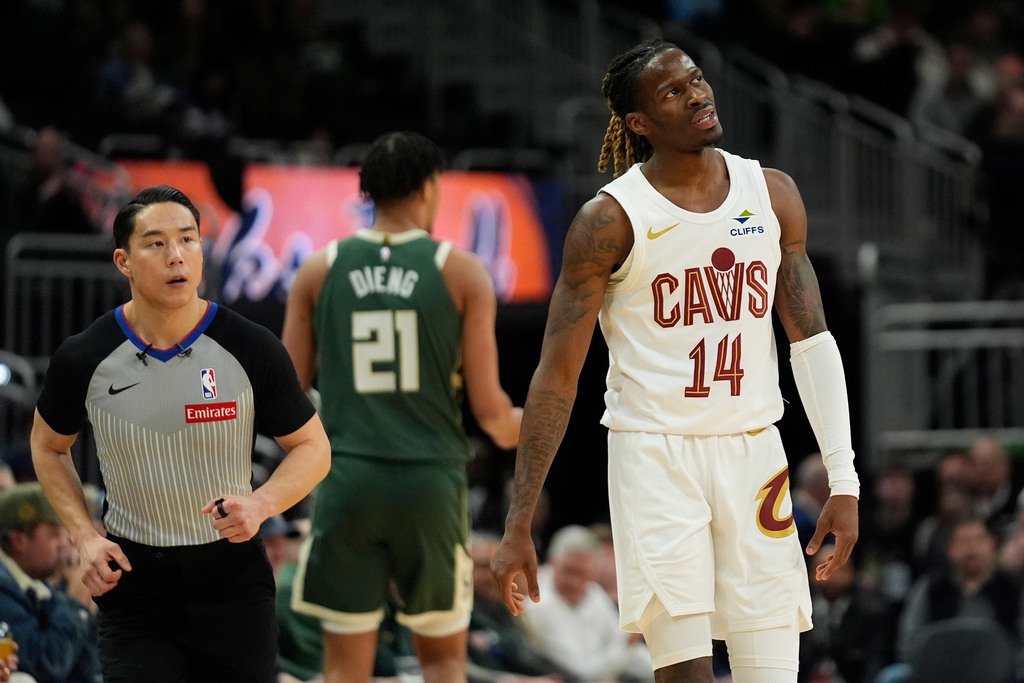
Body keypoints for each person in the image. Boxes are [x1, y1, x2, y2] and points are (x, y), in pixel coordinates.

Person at [490, 38, 860, 683]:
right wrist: (519, 518)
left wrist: (843, 479)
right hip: (654, 454)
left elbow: (812, 342)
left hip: (753, 451)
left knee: (771, 670)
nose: (696, 94)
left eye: (695, 79)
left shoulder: (770, 193)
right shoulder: (609, 220)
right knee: (684, 672)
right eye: (672, 91)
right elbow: (557, 373)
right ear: (638, 123)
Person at [29, 185, 331, 683]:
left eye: (188, 240)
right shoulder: (85, 356)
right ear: (123, 261)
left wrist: (261, 504)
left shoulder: (250, 346)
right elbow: (46, 445)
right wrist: (83, 536)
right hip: (136, 587)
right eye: (156, 243)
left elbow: (313, 448)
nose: (176, 257)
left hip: (234, 583)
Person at [281, 131, 522, 683]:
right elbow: (490, 412)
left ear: (369, 191)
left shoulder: (319, 269)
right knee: (441, 662)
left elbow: (286, 395)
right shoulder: (460, 271)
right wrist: (533, 428)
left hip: (347, 479)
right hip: (430, 484)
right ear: (429, 188)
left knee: (345, 670)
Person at [518, 525, 653, 683]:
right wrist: (627, 643)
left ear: (594, 572)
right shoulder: (538, 605)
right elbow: (581, 672)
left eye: (583, 575)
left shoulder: (594, 593)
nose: (574, 582)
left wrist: (663, 669)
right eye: (569, 571)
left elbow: (629, 650)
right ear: (552, 562)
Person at [0, 483, 101, 683]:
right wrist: (76, 600)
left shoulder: (35, 583)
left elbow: (88, 672)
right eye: (56, 535)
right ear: (19, 540)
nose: (66, 545)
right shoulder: (4, 586)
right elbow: (45, 665)